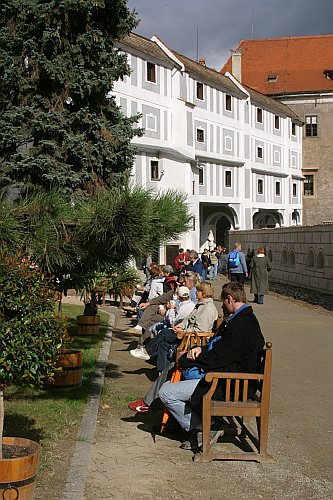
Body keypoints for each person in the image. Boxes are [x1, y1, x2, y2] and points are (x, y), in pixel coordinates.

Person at [158, 282, 265, 446]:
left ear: (229, 299)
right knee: (178, 376)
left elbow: (218, 357)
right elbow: (221, 350)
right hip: (233, 380)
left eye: (223, 302)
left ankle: (206, 426)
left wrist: (189, 359)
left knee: (166, 393)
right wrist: (200, 349)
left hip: (231, 384)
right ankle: (200, 426)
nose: (222, 305)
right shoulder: (244, 319)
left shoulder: (241, 325)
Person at [127, 282, 218, 412]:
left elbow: (200, 331)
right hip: (186, 335)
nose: (195, 293)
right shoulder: (200, 306)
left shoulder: (207, 309)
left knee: (164, 333)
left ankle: (147, 351)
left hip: (191, 341)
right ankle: (159, 370)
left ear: (203, 294)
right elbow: (187, 320)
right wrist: (181, 327)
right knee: (164, 344)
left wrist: (184, 332)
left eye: (198, 292)